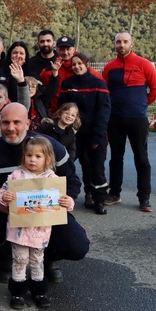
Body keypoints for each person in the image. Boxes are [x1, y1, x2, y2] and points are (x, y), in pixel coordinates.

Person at [0, 103, 89, 285]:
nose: (11, 128)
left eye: (17, 122)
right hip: (8, 214)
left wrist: (69, 199)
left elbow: (72, 181)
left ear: (28, 123)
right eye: (6, 123)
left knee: (77, 246)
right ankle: (7, 259)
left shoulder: (52, 147)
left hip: (47, 216)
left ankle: (48, 259)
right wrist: (1, 206)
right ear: (0, 123)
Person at [0, 136, 75, 309]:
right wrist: (4, 197)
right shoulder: (17, 176)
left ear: (48, 158)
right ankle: (17, 292)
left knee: (37, 259)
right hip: (19, 230)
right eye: (29, 155)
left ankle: (39, 290)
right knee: (20, 259)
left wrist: (68, 203)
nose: (32, 159)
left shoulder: (52, 178)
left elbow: (62, 200)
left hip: (41, 230)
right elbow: (1, 192)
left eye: (38, 156)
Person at [102, 32, 156, 212]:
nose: (121, 45)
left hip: (138, 120)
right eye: (118, 42)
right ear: (114, 44)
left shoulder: (144, 64)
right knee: (116, 158)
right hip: (115, 119)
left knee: (142, 158)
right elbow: (105, 93)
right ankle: (114, 193)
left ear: (131, 43)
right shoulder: (110, 67)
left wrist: (141, 106)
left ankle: (144, 198)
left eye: (125, 42)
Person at [58, 53, 111, 215]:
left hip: (95, 135)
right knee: (67, 165)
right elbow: (63, 108)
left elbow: (104, 111)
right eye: (73, 64)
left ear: (87, 64)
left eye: (80, 63)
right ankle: (66, 197)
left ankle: (99, 200)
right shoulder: (67, 84)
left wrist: (97, 135)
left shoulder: (99, 84)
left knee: (96, 168)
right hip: (73, 135)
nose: (76, 66)